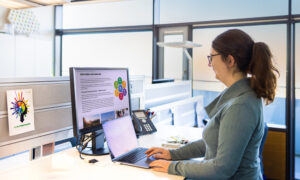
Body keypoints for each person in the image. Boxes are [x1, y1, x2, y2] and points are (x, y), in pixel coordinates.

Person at [145, 29, 279, 180]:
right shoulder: (239, 96)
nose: (210, 64)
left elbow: (222, 169)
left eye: (212, 57)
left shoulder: (241, 105)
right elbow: (212, 143)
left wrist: (173, 167)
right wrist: (173, 154)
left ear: (230, 60)